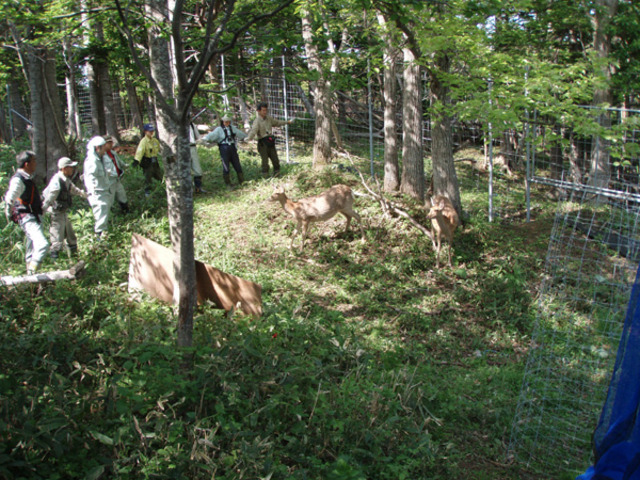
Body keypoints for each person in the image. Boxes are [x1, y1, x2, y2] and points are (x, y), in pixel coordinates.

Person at [3, 150, 49, 273]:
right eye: (34, 161)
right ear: (26, 164)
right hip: (28, 218)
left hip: (33, 216)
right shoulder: (19, 179)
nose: (36, 164)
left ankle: (30, 279)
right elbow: (10, 197)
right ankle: (32, 272)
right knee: (42, 244)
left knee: (31, 249)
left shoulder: (26, 178)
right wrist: (8, 211)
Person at [42, 157, 89, 259]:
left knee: (71, 236)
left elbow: (74, 189)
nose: (72, 169)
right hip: (56, 213)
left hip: (63, 213)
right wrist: (43, 210)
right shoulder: (57, 181)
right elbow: (50, 197)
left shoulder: (65, 180)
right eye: (70, 167)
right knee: (56, 240)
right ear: (64, 168)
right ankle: (55, 264)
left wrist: (85, 195)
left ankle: (75, 258)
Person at [246, 102, 294, 178]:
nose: (265, 112)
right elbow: (253, 131)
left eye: (266, 110)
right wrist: (249, 138)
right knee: (265, 162)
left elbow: (277, 122)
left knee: (275, 160)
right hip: (263, 143)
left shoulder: (269, 118)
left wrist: (287, 122)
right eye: (263, 110)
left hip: (270, 141)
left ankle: (277, 175)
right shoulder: (257, 121)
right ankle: (265, 177)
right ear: (258, 111)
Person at [84, 136, 116, 239]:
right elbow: (90, 178)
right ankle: (99, 238)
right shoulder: (92, 161)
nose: (104, 149)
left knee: (104, 214)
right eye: (103, 147)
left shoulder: (100, 159)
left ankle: (103, 235)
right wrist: (93, 193)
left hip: (104, 191)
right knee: (100, 215)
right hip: (98, 193)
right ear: (97, 148)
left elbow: (100, 174)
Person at [203, 115, 247, 186]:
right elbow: (212, 135)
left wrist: (246, 137)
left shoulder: (232, 128)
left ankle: (242, 181)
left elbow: (239, 133)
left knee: (237, 164)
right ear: (223, 122)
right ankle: (228, 183)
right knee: (226, 166)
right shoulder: (219, 129)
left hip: (232, 147)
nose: (227, 123)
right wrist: (205, 139)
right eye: (226, 122)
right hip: (224, 147)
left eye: (228, 122)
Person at [134, 123, 163, 196]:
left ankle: (162, 190)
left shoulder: (155, 141)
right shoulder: (143, 141)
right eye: (149, 131)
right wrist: (136, 160)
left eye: (152, 131)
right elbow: (140, 152)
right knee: (148, 177)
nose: (151, 133)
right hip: (147, 162)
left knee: (159, 176)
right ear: (145, 132)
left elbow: (160, 150)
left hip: (155, 162)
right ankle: (147, 193)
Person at [103, 136, 129, 213]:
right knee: (110, 198)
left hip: (117, 179)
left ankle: (125, 211)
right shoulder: (102, 156)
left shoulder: (113, 153)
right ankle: (109, 215)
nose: (111, 144)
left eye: (111, 142)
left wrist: (126, 165)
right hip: (109, 180)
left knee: (122, 194)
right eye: (108, 143)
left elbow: (119, 162)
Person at [189, 122, 207, 194]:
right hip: (183, 149)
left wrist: (205, 143)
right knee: (186, 170)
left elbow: (198, 137)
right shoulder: (178, 124)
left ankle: (198, 188)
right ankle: (188, 190)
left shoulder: (192, 125)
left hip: (193, 147)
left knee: (198, 169)